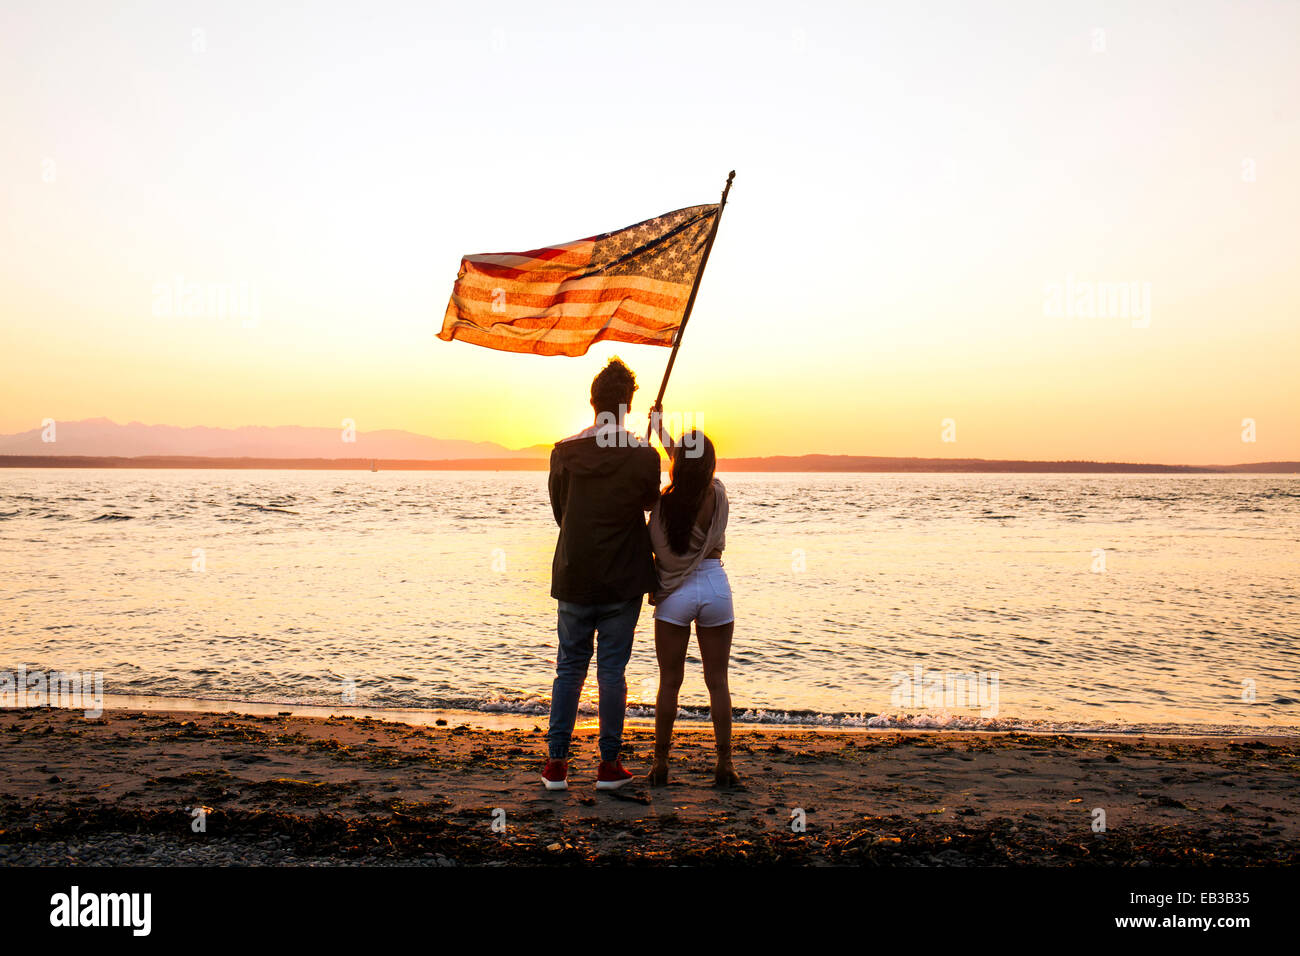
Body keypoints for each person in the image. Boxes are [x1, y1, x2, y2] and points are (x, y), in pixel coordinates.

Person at [542, 358, 660, 791]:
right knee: (612, 672)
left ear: (593, 403)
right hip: (624, 579)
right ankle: (608, 766)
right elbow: (651, 503)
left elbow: (562, 512)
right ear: (627, 406)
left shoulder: (564, 452)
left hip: (575, 574)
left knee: (569, 669)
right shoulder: (643, 455)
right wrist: (646, 452)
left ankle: (557, 765)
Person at [646, 407, 739, 788]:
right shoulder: (718, 494)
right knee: (717, 681)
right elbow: (693, 467)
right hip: (715, 587)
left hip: (675, 593)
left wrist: (657, 431)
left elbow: (657, 549)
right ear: (712, 465)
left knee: (670, 682)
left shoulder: (664, 504)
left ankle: (661, 762)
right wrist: (662, 432)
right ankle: (725, 763)